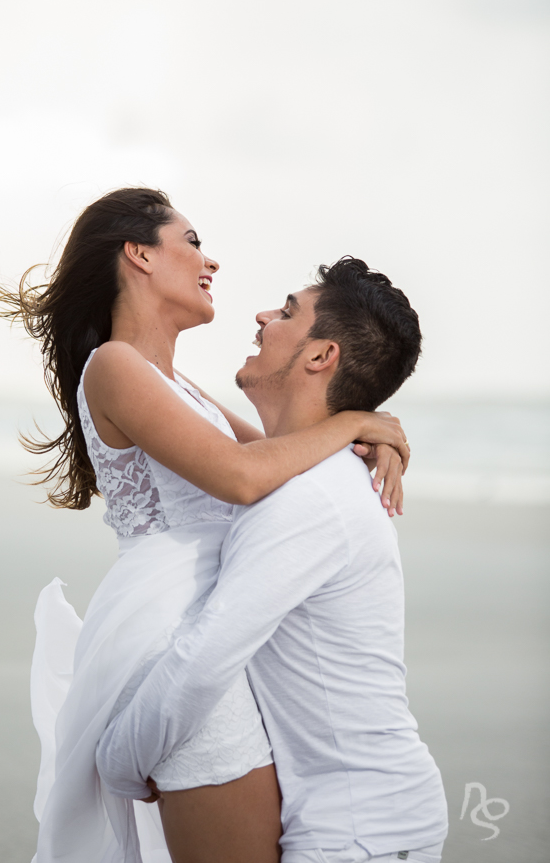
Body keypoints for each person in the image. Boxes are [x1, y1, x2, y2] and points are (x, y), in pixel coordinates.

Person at [0, 189, 409, 863]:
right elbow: (241, 478)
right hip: (171, 629)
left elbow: (277, 455)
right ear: (139, 254)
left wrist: (370, 433)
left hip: (204, 621)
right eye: (190, 241)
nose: (209, 259)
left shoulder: (170, 380)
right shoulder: (115, 365)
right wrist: (353, 423)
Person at [98, 257, 448, 863]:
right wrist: (358, 422)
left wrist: (114, 764)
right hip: (361, 818)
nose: (262, 317)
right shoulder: (302, 476)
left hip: (360, 832)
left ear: (320, 357)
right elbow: (186, 408)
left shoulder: (310, 497)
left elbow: (205, 659)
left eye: (287, 311)